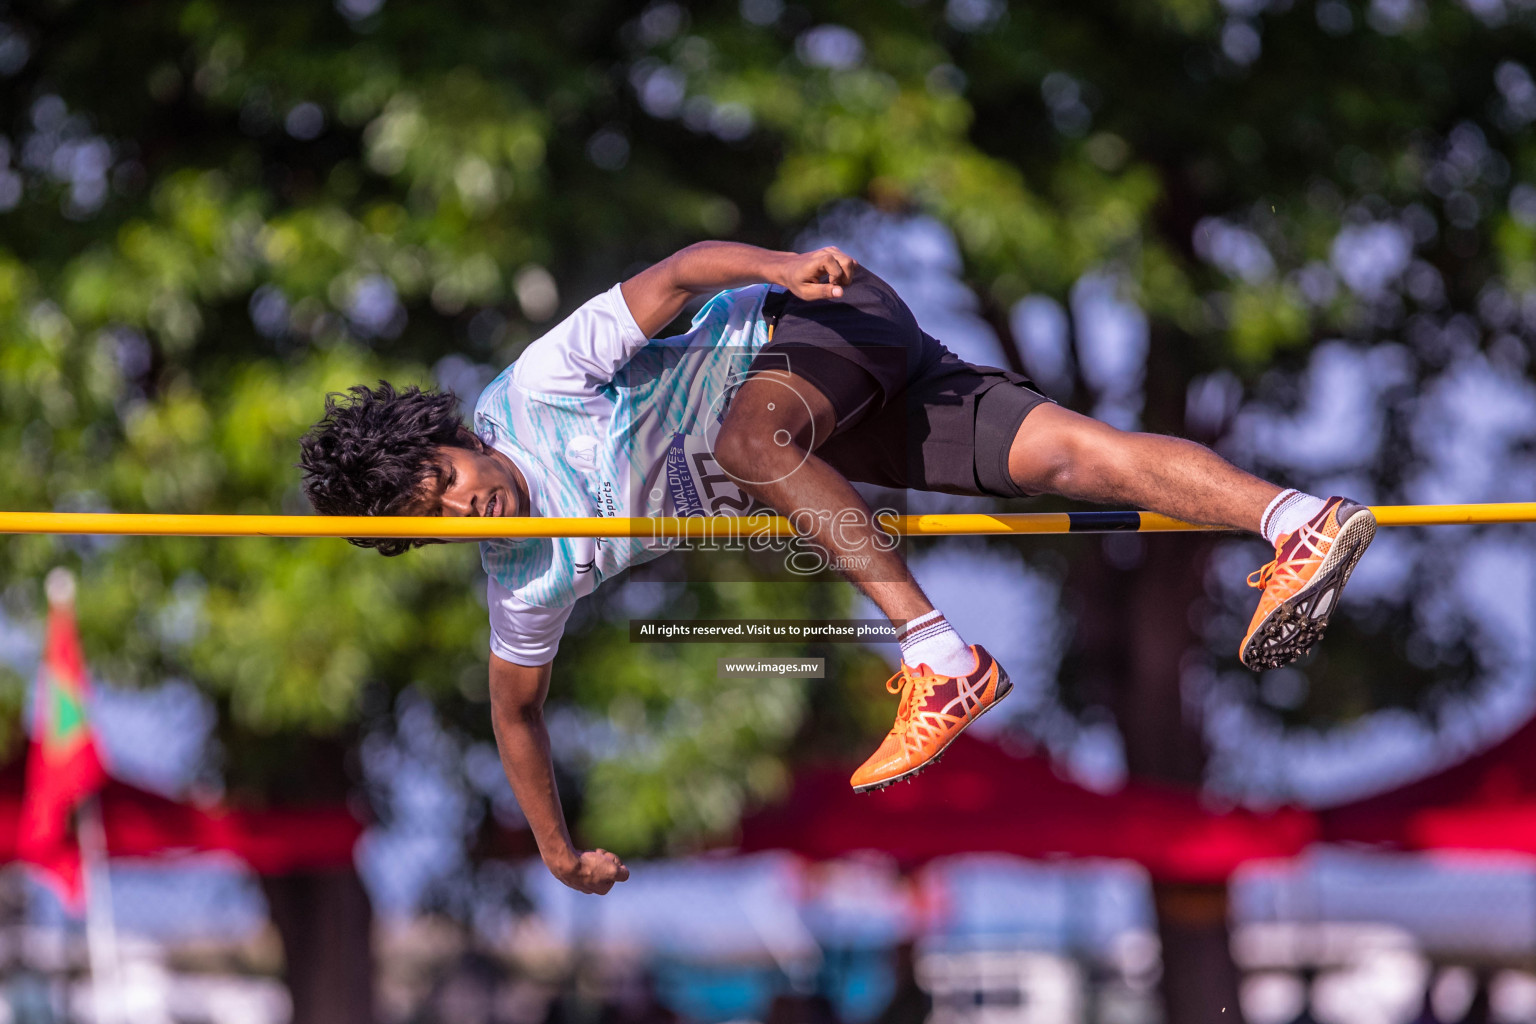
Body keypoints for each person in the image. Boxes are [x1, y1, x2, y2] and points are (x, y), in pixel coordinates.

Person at [299, 241, 1375, 894]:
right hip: (837, 410)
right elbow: (517, 716)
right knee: (1068, 456)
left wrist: (777, 264)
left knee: (748, 445)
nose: (460, 501)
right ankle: (1300, 520)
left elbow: (675, 276)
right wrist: (558, 850)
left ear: (450, 436)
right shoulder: (523, 577)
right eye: (429, 516)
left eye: (441, 475)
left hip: (813, 318)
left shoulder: (537, 389)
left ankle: (939, 653)